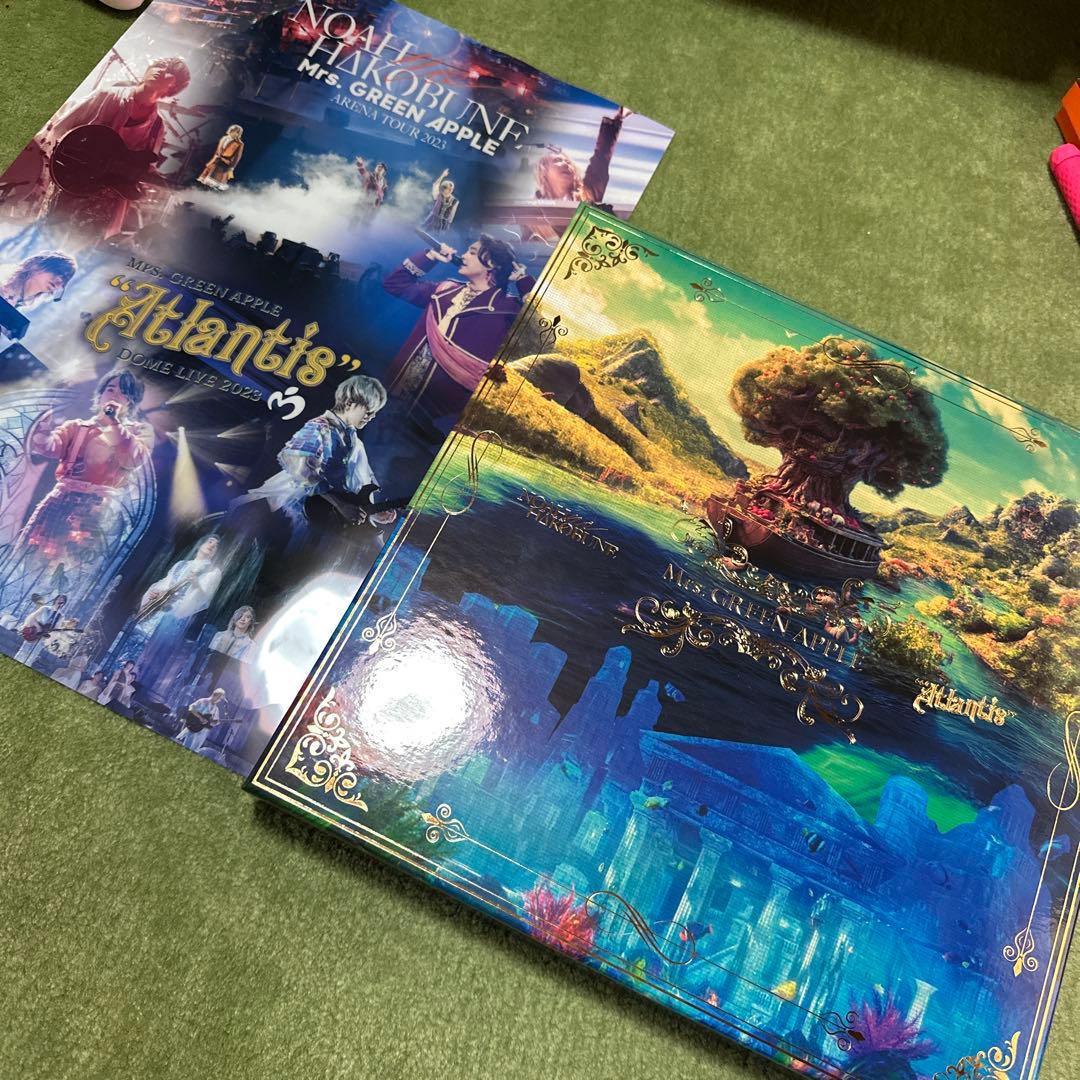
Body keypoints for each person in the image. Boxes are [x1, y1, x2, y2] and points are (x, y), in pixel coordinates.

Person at [0, 369, 153, 619]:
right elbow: (47, 447)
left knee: (70, 568)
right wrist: (45, 424)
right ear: (100, 394)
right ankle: (11, 613)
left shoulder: (138, 432)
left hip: (97, 510)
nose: (115, 395)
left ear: (131, 402)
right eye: (110, 389)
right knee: (32, 558)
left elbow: (133, 458)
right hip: (60, 500)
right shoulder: (76, 427)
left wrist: (114, 423)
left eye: (124, 393)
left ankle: (45, 622)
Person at [382, 235, 534, 433]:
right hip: (396, 393)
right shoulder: (444, 290)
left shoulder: (508, 309)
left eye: (472, 252)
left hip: (436, 417)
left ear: (491, 263)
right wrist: (430, 257)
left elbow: (539, 326)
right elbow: (394, 284)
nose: (463, 256)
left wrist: (523, 280)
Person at [40, 56, 191, 239]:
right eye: (159, 65)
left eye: (169, 71)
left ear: (174, 87)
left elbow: (146, 167)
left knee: (79, 247)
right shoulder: (106, 95)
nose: (160, 70)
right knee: (47, 237)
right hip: (72, 185)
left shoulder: (157, 127)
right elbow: (58, 129)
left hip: (104, 202)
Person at [233, 374, 396, 533]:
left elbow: (359, 482)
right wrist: (340, 504)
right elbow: (299, 466)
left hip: (314, 519)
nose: (371, 416)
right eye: (368, 410)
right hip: (277, 509)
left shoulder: (355, 442)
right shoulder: (319, 428)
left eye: (374, 412)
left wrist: (371, 512)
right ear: (349, 403)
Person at [118, 534, 223, 691]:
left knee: (155, 653)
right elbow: (165, 583)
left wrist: (196, 584)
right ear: (200, 544)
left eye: (216, 546)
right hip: (157, 610)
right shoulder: (181, 564)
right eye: (210, 541)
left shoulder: (213, 572)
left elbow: (205, 599)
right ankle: (117, 677)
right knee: (136, 641)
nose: (212, 546)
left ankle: (136, 687)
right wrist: (155, 591)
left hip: (175, 616)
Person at [533, 106, 629, 206]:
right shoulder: (535, 207)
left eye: (568, 162)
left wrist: (619, 117)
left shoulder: (589, 194)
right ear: (544, 173)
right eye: (558, 160)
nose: (566, 165)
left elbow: (601, 157)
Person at [0, 252, 77, 311]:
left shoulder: (24, 305)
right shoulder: (2, 280)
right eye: (58, 272)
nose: (59, 281)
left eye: (64, 279)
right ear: (36, 265)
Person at [176, 687, 228, 754]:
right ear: (214, 694)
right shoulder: (203, 701)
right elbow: (191, 708)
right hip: (194, 726)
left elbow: (213, 722)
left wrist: (215, 722)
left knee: (195, 750)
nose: (219, 700)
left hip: (203, 731)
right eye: (219, 697)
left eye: (220, 699)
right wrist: (200, 718)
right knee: (187, 745)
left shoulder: (216, 709)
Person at [197, 124, 244, 192]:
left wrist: (232, 167)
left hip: (225, 164)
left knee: (216, 184)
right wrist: (212, 161)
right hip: (216, 161)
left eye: (237, 132)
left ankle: (212, 192)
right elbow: (217, 151)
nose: (235, 133)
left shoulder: (239, 144)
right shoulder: (224, 138)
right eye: (234, 131)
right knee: (205, 181)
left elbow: (237, 157)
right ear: (230, 131)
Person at [422, 168, 459, 233]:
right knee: (424, 229)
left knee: (438, 233)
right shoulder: (438, 195)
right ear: (444, 188)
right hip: (432, 219)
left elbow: (451, 216)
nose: (450, 190)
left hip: (443, 223)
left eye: (451, 189)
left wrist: (447, 225)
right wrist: (442, 175)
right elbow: (435, 185)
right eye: (448, 188)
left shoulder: (455, 201)